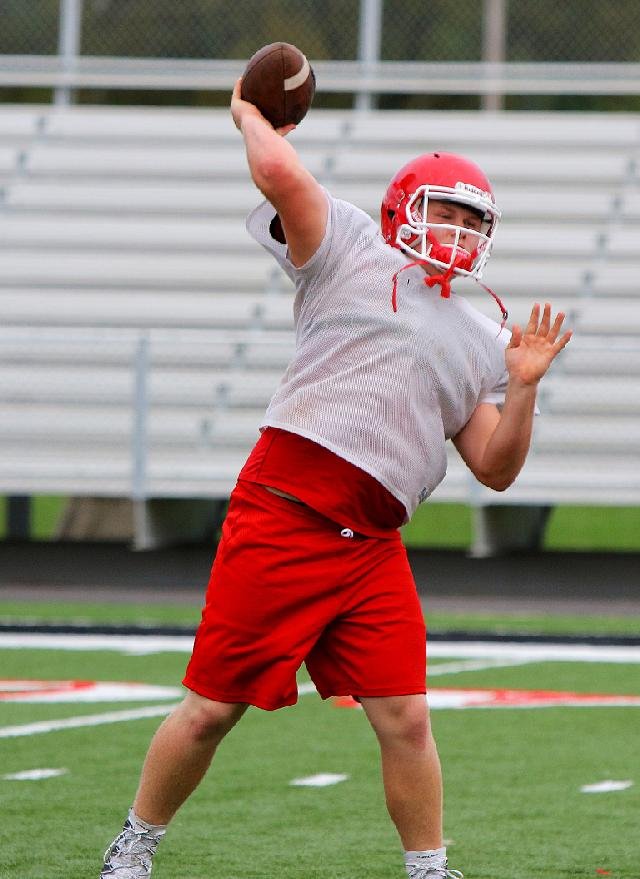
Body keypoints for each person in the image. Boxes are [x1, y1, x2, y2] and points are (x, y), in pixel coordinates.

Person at [100, 78, 571, 879]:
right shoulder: (353, 246)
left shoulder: (487, 335)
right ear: (401, 207)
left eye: (470, 218)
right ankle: (134, 845)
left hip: (372, 541)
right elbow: (282, 178)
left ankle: (428, 869)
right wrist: (249, 114)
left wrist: (524, 385)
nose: (456, 229)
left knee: (407, 719)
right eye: (443, 210)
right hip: (285, 507)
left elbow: (494, 468)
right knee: (213, 706)